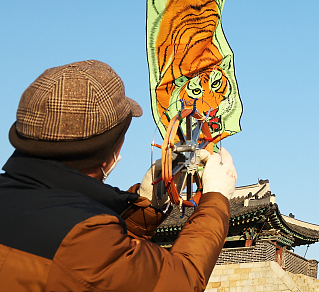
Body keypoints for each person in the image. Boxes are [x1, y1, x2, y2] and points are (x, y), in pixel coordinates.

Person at [0, 60, 237, 291]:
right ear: (113, 150)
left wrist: (146, 208)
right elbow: (182, 281)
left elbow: (106, 267)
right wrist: (216, 197)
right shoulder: (85, 238)